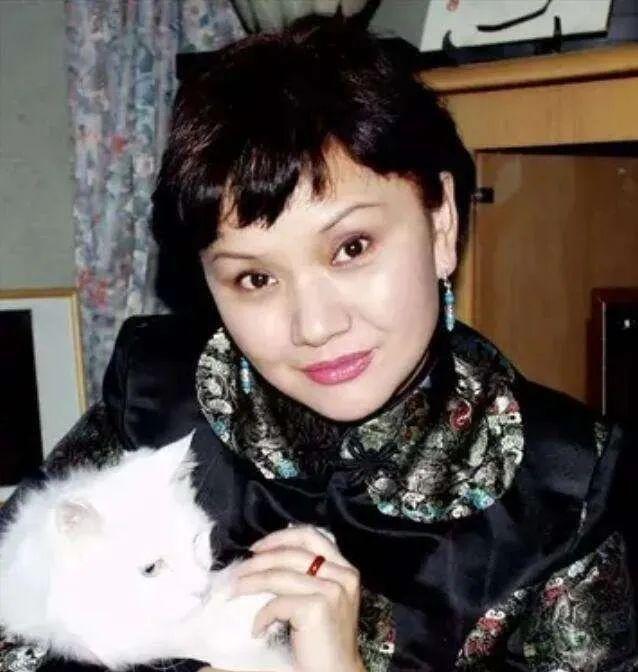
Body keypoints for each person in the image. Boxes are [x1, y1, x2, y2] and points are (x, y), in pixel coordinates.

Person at [2, 13, 637, 672]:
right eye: (255, 278)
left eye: (351, 248)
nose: (314, 325)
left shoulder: (565, 490)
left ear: (441, 222)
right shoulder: (155, 399)